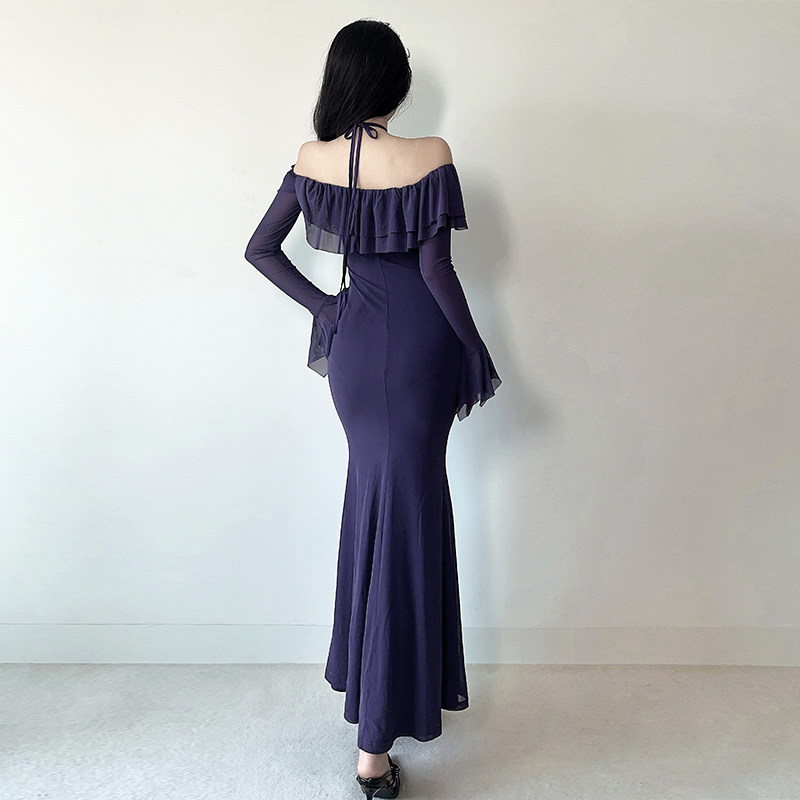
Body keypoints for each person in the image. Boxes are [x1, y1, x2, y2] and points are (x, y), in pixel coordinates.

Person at [244, 19, 501, 799]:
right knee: (408, 515)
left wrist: (329, 308)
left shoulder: (311, 159)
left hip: (355, 351)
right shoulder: (431, 154)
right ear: (395, 82)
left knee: (377, 507)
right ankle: (375, 744)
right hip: (421, 347)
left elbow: (260, 249)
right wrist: (474, 347)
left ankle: (375, 700)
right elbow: (437, 269)